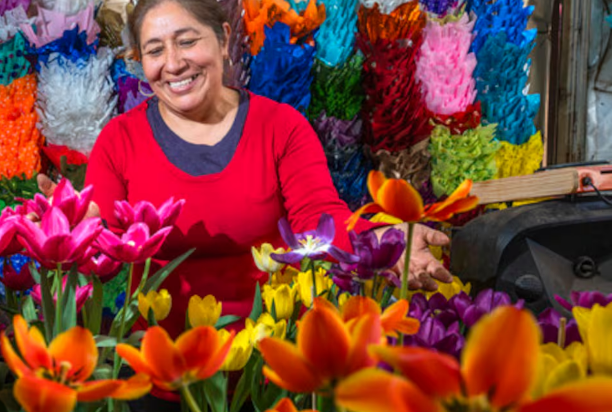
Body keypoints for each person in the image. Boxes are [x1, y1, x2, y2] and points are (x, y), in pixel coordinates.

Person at [79, 0, 452, 333]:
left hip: (268, 363)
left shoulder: (279, 127)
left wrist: (384, 243)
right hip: (163, 367)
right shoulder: (119, 140)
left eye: (187, 41)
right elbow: (101, 243)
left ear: (224, 40)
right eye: (154, 50)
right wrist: (65, 229)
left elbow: (319, 220)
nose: (173, 63)